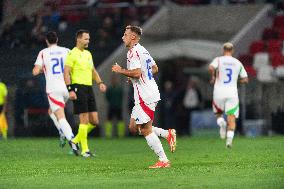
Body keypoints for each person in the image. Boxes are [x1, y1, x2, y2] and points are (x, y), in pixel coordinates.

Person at [112, 25, 176, 168]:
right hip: (147, 92)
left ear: (133, 37)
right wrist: (136, 76)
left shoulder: (133, 52)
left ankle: (163, 160)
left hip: (145, 94)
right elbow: (154, 68)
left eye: (126, 34)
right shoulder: (143, 50)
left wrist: (121, 70)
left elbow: (137, 73)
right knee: (134, 127)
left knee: (146, 129)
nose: (123, 37)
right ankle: (167, 134)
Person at [32, 31, 79, 155]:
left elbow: (35, 71)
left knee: (60, 117)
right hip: (67, 88)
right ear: (57, 39)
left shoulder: (43, 52)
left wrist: (44, 69)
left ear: (46, 41)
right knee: (51, 112)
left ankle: (73, 140)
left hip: (54, 89)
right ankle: (62, 131)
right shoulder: (67, 51)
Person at [64, 29, 107, 157]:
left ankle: (74, 141)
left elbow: (93, 70)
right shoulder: (72, 54)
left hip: (89, 88)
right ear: (79, 39)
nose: (88, 41)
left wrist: (100, 83)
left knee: (94, 121)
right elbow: (66, 73)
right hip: (78, 88)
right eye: (86, 39)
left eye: (88, 39)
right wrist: (70, 90)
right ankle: (85, 150)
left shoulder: (88, 54)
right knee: (84, 120)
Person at [208, 42, 248, 148]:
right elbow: (245, 79)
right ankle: (229, 141)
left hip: (219, 92)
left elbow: (211, 67)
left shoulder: (218, 60)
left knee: (218, 113)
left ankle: (221, 122)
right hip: (232, 93)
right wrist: (237, 80)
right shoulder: (237, 62)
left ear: (223, 50)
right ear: (232, 50)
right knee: (232, 117)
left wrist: (212, 77)